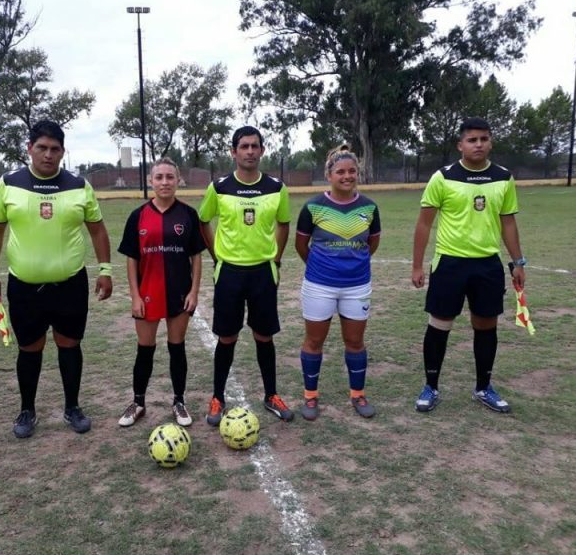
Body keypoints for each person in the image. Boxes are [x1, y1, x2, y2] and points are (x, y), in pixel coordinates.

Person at [0, 120, 112, 438]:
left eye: (55, 149)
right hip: (24, 287)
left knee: (70, 344)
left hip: (70, 284)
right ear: (29, 148)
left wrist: (106, 269)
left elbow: (97, 228)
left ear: (62, 152)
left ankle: (72, 407)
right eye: (41, 147)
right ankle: (27, 410)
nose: (48, 154)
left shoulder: (79, 185)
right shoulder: (9, 183)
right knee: (30, 348)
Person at [412, 117, 526, 414]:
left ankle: (483, 387)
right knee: (440, 325)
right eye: (472, 140)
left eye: (484, 139)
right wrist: (417, 265)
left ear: (491, 142)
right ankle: (431, 386)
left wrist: (518, 262)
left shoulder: (503, 177)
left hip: (487, 264)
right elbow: (424, 224)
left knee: (486, 325)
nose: (479, 144)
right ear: (460, 144)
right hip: (449, 263)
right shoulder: (443, 177)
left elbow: (508, 222)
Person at [198, 125, 293, 425]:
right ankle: (217, 397)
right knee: (227, 337)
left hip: (263, 272)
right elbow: (203, 221)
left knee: (264, 336)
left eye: (255, 146)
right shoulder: (220, 187)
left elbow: (283, 224)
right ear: (234, 151)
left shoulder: (277, 188)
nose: (250, 151)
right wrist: (217, 256)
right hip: (230, 273)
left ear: (262, 150)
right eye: (244, 146)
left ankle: (271, 395)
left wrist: (275, 259)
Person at [117, 157, 206, 427]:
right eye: (159, 178)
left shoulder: (188, 214)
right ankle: (138, 402)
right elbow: (131, 259)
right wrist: (134, 296)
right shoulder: (138, 216)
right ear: (150, 181)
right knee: (145, 349)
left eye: (170, 177)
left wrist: (194, 291)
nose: (165, 182)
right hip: (147, 293)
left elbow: (196, 257)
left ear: (178, 180)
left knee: (176, 348)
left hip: (179, 293)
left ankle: (179, 402)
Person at [295, 145, 381, 420]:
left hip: (357, 285)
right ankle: (310, 397)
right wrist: (323, 267)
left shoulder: (369, 207)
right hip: (319, 284)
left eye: (352, 171)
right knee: (314, 341)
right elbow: (301, 245)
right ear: (329, 175)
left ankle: (357, 394)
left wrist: (352, 264)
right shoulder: (313, 206)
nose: (347, 176)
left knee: (355, 342)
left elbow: (372, 243)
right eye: (340, 171)